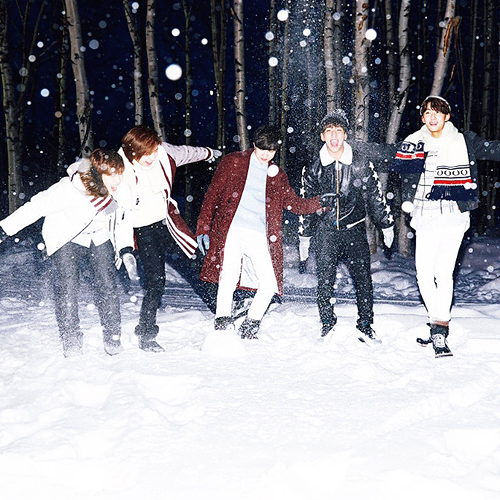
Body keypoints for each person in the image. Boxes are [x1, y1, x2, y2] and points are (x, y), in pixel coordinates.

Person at [0, 149, 137, 357]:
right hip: (67, 237)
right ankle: (71, 339)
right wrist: (4, 229)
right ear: (97, 172)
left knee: (108, 285)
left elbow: (122, 221)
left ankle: (113, 336)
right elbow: (35, 207)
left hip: (99, 237)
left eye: (120, 173)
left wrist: (125, 249)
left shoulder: (121, 191)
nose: (118, 180)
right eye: (112, 174)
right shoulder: (70, 189)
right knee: (67, 288)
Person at [392, 95, 500, 357]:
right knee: (423, 275)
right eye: (428, 113)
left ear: (447, 116)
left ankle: (439, 330)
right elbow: (385, 152)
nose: (433, 117)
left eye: (437, 112)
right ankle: (437, 322)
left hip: (453, 217)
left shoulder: (463, 141)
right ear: (422, 117)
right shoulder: (413, 143)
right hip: (425, 217)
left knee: (443, 273)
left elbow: (493, 149)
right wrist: (349, 146)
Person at [196, 125, 324, 339]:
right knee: (228, 277)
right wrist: (203, 227)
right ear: (254, 144)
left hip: (259, 234)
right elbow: (212, 195)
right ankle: (222, 323)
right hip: (231, 229)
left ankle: (250, 324)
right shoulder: (233, 162)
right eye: (262, 148)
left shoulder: (277, 175)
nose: (265, 155)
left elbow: (294, 204)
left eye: (271, 150)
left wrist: (320, 203)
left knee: (269, 284)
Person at [118, 125, 221, 352]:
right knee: (156, 281)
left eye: (153, 151)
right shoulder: (122, 170)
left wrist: (210, 153)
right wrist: (125, 249)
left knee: (197, 264)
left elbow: (188, 152)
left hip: (168, 223)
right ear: (132, 151)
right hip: (143, 231)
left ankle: (222, 314)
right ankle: (146, 334)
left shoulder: (164, 153)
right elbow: (121, 217)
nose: (150, 158)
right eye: (144, 154)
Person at [299, 110, 395, 344]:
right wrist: (304, 236)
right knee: (325, 280)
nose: (334, 136)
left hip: (354, 229)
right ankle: (327, 323)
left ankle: (365, 325)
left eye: (338, 131)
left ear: (345, 135)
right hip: (326, 231)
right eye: (329, 131)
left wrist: (386, 224)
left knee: (363, 280)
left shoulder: (360, 163)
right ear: (322, 136)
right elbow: (306, 203)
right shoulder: (314, 167)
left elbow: (374, 195)